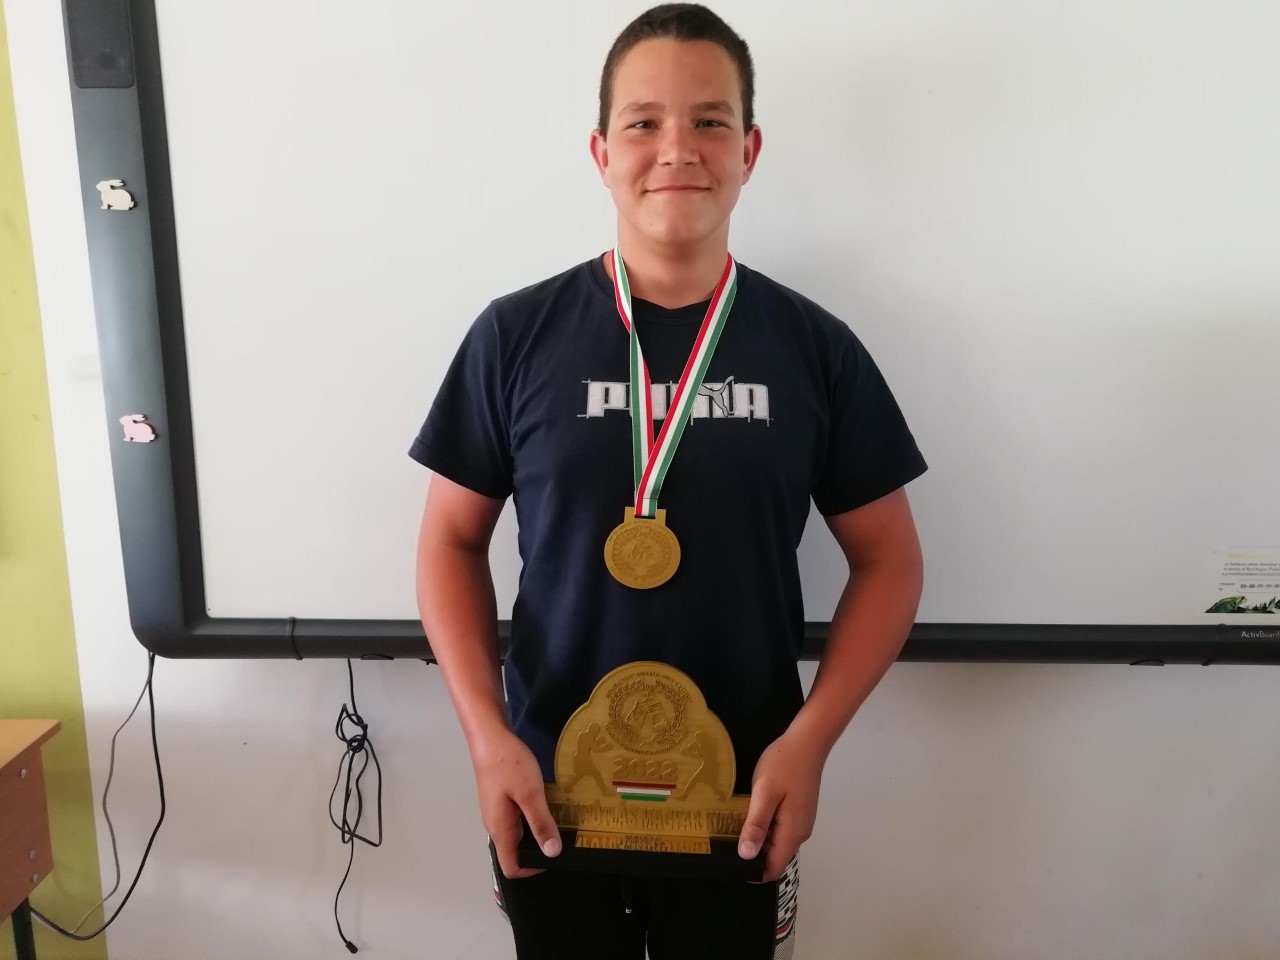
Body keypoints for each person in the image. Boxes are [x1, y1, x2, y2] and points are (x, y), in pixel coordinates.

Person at [412, 5, 927, 957]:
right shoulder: (514, 335)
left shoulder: (815, 348)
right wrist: (487, 739)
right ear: (602, 151)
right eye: (644, 122)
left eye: (710, 121)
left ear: (750, 150)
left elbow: (889, 560)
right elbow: (449, 540)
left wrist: (810, 743)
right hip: (548, 791)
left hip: (743, 797)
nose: (678, 149)